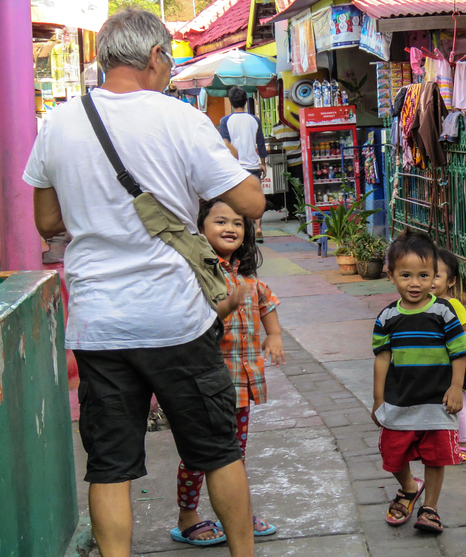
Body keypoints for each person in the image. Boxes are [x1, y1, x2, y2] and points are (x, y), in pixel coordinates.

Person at [23, 9, 264, 557]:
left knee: (110, 466)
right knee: (218, 450)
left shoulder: (58, 123)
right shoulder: (180, 120)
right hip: (177, 318)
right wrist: (217, 163)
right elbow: (249, 203)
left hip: (99, 325)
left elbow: (47, 222)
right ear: (156, 57)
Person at [171, 198, 285, 545]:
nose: (231, 228)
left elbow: (266, 302)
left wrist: (275, 335)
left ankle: (238, 514)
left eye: (238, 223)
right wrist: (227, 306)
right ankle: (187, 516)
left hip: (241, 384)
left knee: (234, 456)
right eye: (221, 221)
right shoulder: (198, 272)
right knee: (197, 457)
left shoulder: (244, 275)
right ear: (201, 228)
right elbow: (193, 318)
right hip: (206, 385)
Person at [371, 230, 466, 534]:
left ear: (434, 277)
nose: (415, 283)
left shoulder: (444, 313)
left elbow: (459, 352)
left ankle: (431, 507)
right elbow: (382, 359)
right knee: (392, 454)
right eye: (406, 275)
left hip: (436, 401)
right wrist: (378, 399)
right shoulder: (387, 318)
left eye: (423, 275)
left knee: (435, 455)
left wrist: (456, 388)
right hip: (399, 399)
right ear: (391, 276)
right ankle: (408, 488)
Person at [431, 250, 466, 463]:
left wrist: (453, 347)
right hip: (428, 365)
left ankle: (463, 442)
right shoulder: (420, 304)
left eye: (437, 276)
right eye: (425, 274)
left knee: (457, 403)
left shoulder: (453, 304)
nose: (430, 280)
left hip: (451, 365)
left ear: (451, 281)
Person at [220, 86, 267, 243]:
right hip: (253, 165)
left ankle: (243, 231)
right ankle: (258, 227)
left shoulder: (226, 121)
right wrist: (263, 163)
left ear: (231, 102)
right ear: (246, 102)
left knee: (238, 200)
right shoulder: (255, 120)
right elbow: (260, 143)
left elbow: (225, 144)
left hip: (235, 166)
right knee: (256, 196)